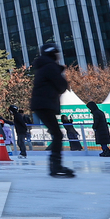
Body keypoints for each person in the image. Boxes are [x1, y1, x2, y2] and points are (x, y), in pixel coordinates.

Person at [29, 42, 74, 178]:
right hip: (44, 105)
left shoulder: (44, 67)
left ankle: (56, 165)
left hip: (42, 105)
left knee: (57, 134)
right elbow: (61, 86)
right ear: (53, 54)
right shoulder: (50, 67)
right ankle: (55, 165)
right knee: (58, 134)